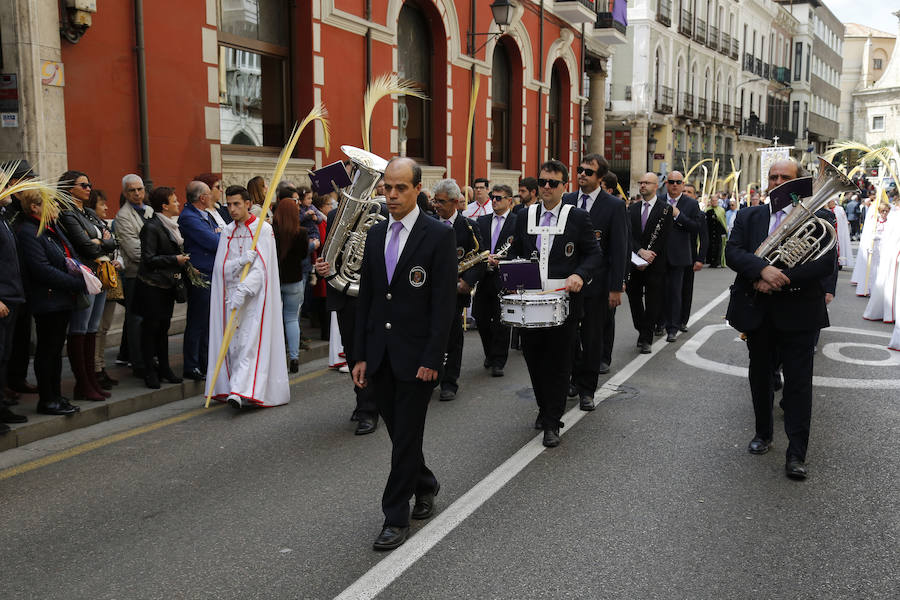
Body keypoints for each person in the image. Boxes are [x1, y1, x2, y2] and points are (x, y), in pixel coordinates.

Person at [352, 157, 456, 551]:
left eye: (399, 188)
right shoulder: (376, 234)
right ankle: (425, 483)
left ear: (416, 189)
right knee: (401, 436)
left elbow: (444, 304)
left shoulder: (438, 235)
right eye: (386, 188)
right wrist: (360, 354)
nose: (390, 195)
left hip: (417, 358)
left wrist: (433, 358)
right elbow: (371, 300)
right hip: (380, 355)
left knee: (406, 437)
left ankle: (395, 517)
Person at [725, 157, 836, 481]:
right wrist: (762, 269)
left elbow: (824, 263)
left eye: (784, 177)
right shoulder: (750, 215)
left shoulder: (821, 217)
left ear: (798, 182)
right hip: (758, 311)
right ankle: (763, 434)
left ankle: (796, 454)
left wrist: (780, 276)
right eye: (772, 177)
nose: (776, 182)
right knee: (759, 377)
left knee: (799, 386)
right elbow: (733, 252)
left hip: (800, 312)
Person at [499, 159, 601, 447]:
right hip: (529, 305)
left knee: (559, 363)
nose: (546, 187)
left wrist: (579, 274)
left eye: (553, 183)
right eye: (542, 181)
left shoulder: (577, 217)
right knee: (534, 360)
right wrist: (503, 264)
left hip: (563, 304)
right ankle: (545, 408)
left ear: (564, 186)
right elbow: (517, 253)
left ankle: (552, 421)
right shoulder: (524, 215)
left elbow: (594, 255)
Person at [206, 185, 289, 408]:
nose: (232, 209)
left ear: (248, 204)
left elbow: (263, 269)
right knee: (232, 344)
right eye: (229, 205)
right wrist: (239, 263)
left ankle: (241, 390)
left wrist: (245, 289)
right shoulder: (227, 231)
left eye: (237, 204)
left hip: (254, 299)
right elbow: (220, 268)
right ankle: (236, 386)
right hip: (230, 298)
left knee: (249, 343)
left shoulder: (262, 229)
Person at [313, 195, 384, 436]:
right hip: (346, 295)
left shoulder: (382, 211)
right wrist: (321, 267)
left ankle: (369, 408)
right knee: (354, 354)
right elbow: (328, 256)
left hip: (375, 294)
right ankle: (364, 402)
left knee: (374, 352)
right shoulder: (334, 216)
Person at [562, 154, 627, 409]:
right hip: (568, 283)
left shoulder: (613, 205)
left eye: (589, 172)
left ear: (600, 178)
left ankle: (587, 389)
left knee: (591, 339)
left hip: (598, 285)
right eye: (580, 170)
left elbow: (619, 249)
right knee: (568, 337)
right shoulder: (566, 201)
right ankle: (572, 378)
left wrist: (615, 287)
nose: (582, 175)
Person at [16, 189, 86, 416]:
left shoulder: (50, 228)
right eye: (50, 204)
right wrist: (75, 283)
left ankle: (56, 396)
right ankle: (47, 399)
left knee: (55, 351)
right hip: (47, 299)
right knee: (47, 351)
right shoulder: (29, 232)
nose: (55, 208)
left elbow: (68, 255)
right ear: (35, 207)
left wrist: (82, 273)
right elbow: (41, 269)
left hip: (61, 298)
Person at [58, 170, 117, 402]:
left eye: (89, 184)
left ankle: (91, 379)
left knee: (93, 327)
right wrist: (101, 241)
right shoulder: (67, 214)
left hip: (100, 273)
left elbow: (112, 241)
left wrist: (100, 241)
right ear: (69, 188)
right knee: (80, 328)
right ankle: (82, 384)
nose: (89, 188)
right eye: (83, 185)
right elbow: (85, 247)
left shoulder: (90, 212)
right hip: (84, 274)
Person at [431, 178, 485, 401]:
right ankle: (431, 375)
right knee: (430, 336)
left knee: (452, 337)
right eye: (435, 201)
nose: (436, 205)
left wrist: (467, 282)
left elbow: (481, 258)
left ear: (455, 202)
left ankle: (449, 382)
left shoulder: (469, 227)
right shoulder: (428, 223)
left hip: (455, 291)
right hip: (430, 292)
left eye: (441, 202)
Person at [133, 187, 187, 389]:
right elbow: (148, 259)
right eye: (174, 201)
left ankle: (165, 368)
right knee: (150, 329)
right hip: (151, 286)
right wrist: (174, 259)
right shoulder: (152, 227)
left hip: (166, 286)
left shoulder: (172, 226)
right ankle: (149, 371)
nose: (178, 203)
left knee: (163, 328)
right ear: (164, 206)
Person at [178, 180, 221, 381]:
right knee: (198, 320)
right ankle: (192, 364)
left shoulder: (205, 214)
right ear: (202, 197)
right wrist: (222, 237)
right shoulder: (189, 217)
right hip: (201, 273)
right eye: (209, 193)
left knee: (208, 320)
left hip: (212, 270)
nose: (212, 195)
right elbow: (213, 241)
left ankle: (205, 362)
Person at [626, 173, 673, 354]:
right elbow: (628, 235)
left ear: (656, 186)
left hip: (656, 262)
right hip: (634, 262)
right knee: (634, 299)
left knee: (653, 302)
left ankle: (646, 338)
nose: (643, 185)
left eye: (647, 183)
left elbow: (664, 236)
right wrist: (639, 252)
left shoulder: (665, 209)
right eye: (641, 182)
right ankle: (641, 328)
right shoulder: (632, 208)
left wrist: (649, 255)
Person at [4, 161, 40, 399]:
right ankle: (7, 382)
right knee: (9, 340)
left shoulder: (27, 207)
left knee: (22, 336)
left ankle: (18, 378)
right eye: (28, 178)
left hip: (24, 283)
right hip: (8, 286)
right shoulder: (8, 210)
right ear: (15, 182)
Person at [473, 186, 517, 377]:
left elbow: (518, 251)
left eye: (499, 198)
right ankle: (489, 352)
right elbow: (476, 247)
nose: (495, 200)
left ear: (510, 201)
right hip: (484, 276)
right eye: (493, 197)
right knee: (481, 318)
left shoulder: (517, 222)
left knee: (501, 321)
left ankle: (499, 360)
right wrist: (484, 259)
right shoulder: (482, 221)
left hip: (504, 277)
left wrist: (501, 262)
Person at [657, 171, 704, 342]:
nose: (674, 185)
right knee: (659, 292)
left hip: (680, 256)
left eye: (678, 182)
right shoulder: (659, 200)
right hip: (658, 255)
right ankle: (659, 322)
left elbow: (696, 227)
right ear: (666, 184)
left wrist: (678, 215)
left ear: (683, 185)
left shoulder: (691, 204)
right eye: (671, 182)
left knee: (675, 293)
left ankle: (673, 327)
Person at [114, 174, 152, 378]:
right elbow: (135, 252)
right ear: (125, 193)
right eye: (132, 190)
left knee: (150, 319)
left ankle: (150, 357)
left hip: (153, 274)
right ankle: (138, 363)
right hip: (135, 275)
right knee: (136, 320)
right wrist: (159, 254)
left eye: (140, 189)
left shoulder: (149, 210)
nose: (137, 193)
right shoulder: (123, 217)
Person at [85, 189, 121, 389]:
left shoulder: (104, 226)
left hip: (110, 277)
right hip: (97, 276)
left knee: (104, 327)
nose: (106, 207)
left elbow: (114, 245)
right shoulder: (91, 227)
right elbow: (101, 246)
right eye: (102, 204)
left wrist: (118, 261)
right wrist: (104, 242)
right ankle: (96, 368)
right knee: (96, 328)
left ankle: (101, 365)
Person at [0, 172, 28, 429]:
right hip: (2, 300)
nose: (10, 189)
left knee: (5, 355)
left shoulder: (3, 219)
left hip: (12, 296)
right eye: (5, 184)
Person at [273, 189, 309, 373]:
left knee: (274, 320)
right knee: (292, 319)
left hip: (275, 280)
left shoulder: (271, 232)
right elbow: (304, 255)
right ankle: (294, 357)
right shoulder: (301, 232)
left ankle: (276, 357)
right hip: (294, 280)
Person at [705, 190, 727, 267]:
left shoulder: (721, 210)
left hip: (719, 232)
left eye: (715, 200)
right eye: (713, 201)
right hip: (710, 231)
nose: (714, 202)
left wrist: (724, 232)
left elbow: (723, 222)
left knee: (719, 246)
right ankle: (711, 261)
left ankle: (718, 261)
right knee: (711, 246)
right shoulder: (707, 210)